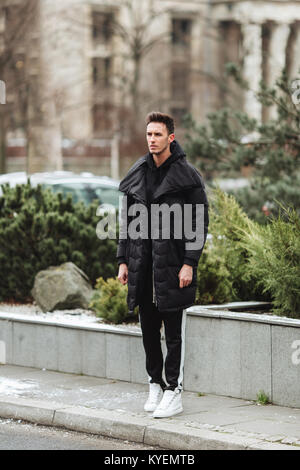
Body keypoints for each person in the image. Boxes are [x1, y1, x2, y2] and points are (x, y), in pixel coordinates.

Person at [117, 112, 209, 418]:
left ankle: (174, 391)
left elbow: (198, 224)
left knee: (173, 333)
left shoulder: (187, 177)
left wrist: (189, 263)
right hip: (142, 266)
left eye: (158, 135)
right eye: (149, 135)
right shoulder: (138, 173)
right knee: (147, 331)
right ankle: (154, 383)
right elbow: (126, 223)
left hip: (172, 267)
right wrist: (122, 260)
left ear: (171, 137)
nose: (152, 140)